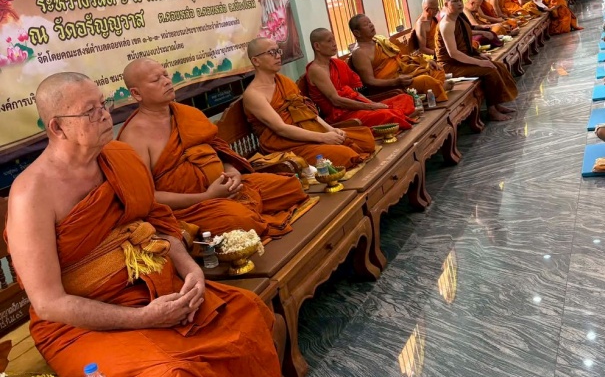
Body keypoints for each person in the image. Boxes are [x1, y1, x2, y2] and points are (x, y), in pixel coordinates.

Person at [5, 72, 320, 377]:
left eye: (103, 104)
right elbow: (50, 304)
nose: (105, 116)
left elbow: (157, 223)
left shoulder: (118, 159)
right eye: (90, 111)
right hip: (80, 327)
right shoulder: (32, 194)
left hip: (153, 290)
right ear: (57, 126)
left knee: (249, 313)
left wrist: (191, 271)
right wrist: (144, 319)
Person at [118, 59, 309, 240]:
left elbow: (218, 150)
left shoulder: (187, 113)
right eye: (156, 79)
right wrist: (207, 196)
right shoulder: (134, 137)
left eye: (166, 75)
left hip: (227, 186)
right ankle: (245, 217)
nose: (167, 81)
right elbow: (148, 198)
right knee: (241, 221)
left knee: (292, 187)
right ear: (136, 94)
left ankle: (249, 214)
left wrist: (232, 172)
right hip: (191, 207)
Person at [243, 37, 375, 169]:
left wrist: (330, 129)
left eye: (278, 51)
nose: (278, 56)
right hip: (287, 145)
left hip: (309, 132)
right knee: (346, 154)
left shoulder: (283, 81)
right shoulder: (254, 95)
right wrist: (323, 137)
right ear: (256, 61)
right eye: (271, 52)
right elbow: (281, 128)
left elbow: (306, 111)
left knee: (365, 140)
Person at [305, 28, 416, 130]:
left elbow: (354, 93)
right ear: (317, 46)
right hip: (342, 115)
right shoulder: (316, 70)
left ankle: (396, 117)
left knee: (405, 98)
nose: (334, 43)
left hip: (357, 106)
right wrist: (371, 107)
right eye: (329, 41)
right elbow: (336, 100)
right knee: (387, 114)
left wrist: (372, 103)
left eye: (334, 39)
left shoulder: (338, 63)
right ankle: (397, 117)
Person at [435, 0, 518, 122]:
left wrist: (479, 54)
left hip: (462, 60)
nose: (459, 4)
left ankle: (497, 105)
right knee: (490, 70)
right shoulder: (446, 24)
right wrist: (479, 62)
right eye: (455, 1)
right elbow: (453, 53)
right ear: (446, 4)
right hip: (450, 66)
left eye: (460, 0)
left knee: (498, 66)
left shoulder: (459, 18)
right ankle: (492, 111)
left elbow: (466, 42)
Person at [348, 13, 449, 103]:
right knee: (425, 80)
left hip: (404, 73)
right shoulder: (360, 53)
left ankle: (435, 89)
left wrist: (425, 62)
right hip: (390, 86)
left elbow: (400, 58)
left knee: (437, 69)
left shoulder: (379, 40)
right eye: (366, 24)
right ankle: (439, 88)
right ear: (357, 33)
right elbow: (369, 81)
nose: (371, 25)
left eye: (370, 22)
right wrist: (396, 81)